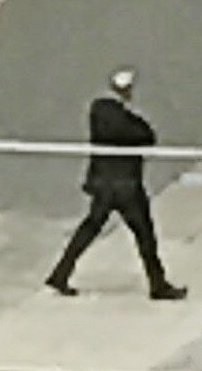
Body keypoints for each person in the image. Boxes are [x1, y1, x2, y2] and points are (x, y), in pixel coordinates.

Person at [44, 69, 185, 301]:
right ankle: (158, 284)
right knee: (144, 234)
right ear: (127, 91)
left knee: (89, 228)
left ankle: (61, 273)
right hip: (127, 186)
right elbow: (146, 136)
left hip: (103, 184)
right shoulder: (126, 121)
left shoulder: (98, 111)